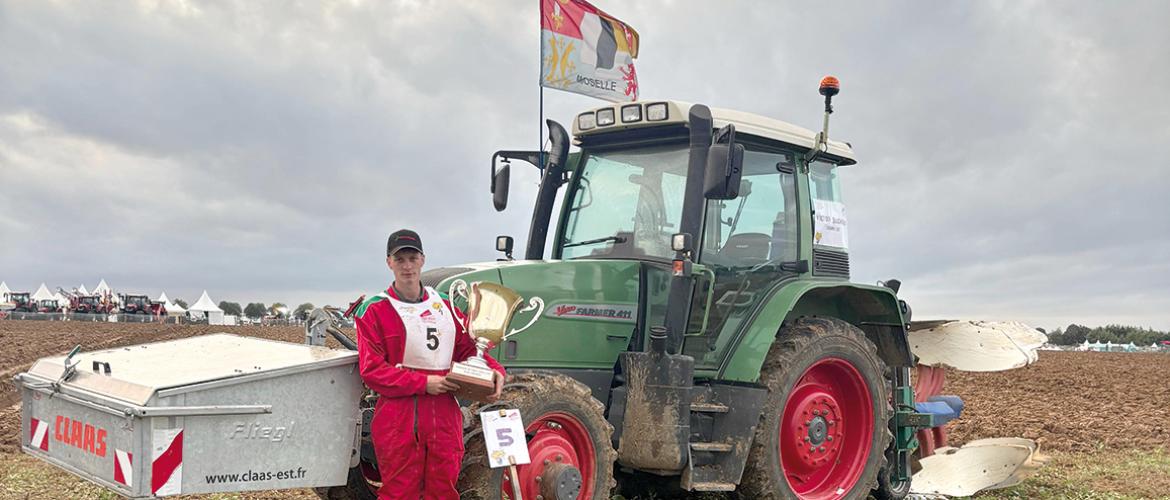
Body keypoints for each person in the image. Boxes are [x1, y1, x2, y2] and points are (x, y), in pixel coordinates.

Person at [354, 229, 506, 499]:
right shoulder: (375, 309)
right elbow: (372, 370)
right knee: (400, 492)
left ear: (423, 259)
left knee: (443, 491)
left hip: (444, 415)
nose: (407, 266)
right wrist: (425, 383)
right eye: (400, 259)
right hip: (398, 417)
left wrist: (494, 371)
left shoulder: (445, 305)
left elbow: (468, 348)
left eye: (412, 258)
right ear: (389, 262)